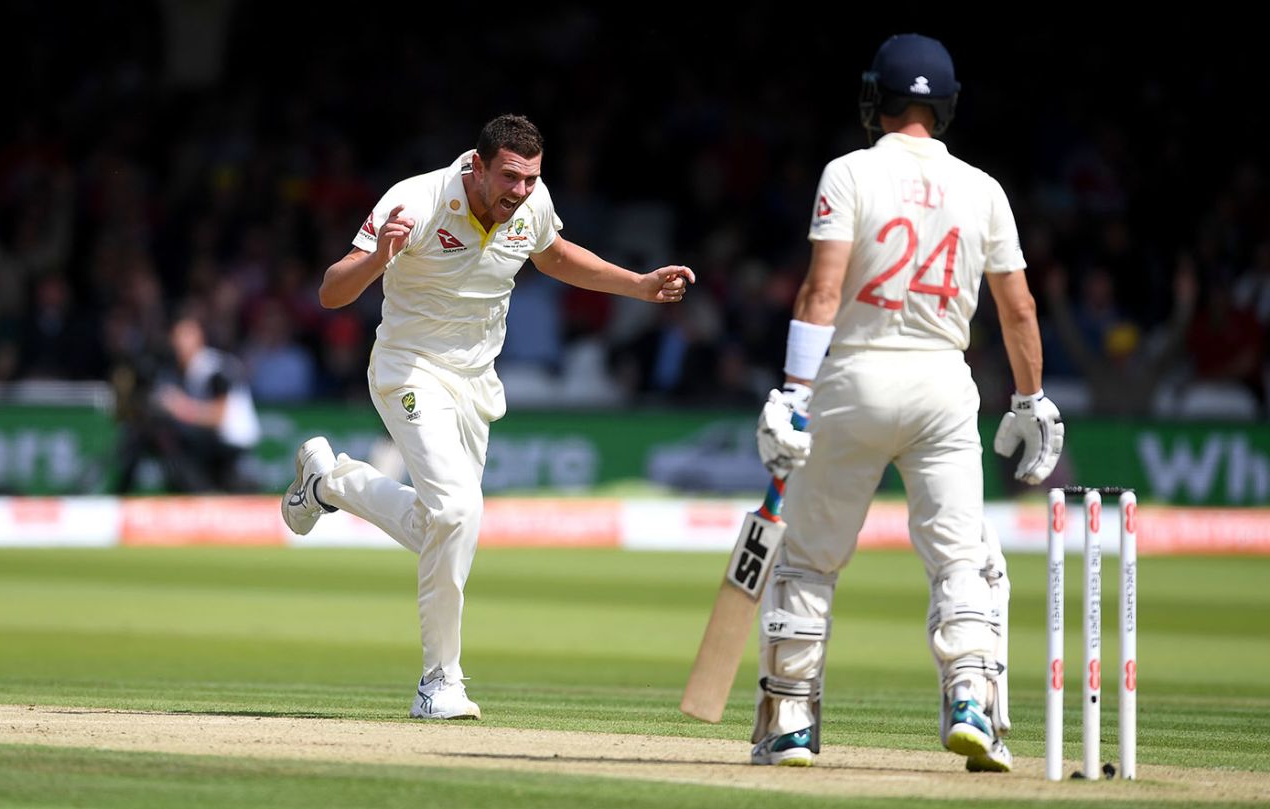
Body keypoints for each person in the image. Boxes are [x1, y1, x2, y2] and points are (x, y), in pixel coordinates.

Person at [279, 114, 694, 720]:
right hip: (409, 369)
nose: (520, 192)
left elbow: (552, 256)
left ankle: (328, 482)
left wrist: (638, 286)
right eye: (509, 178)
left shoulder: (532, 201)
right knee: (457, 512)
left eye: (531, 180)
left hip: (477, 384)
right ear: (477, 166)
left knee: (443, 526)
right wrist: (378, 260)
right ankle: (439, 682)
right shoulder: (416, 199)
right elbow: (330, 292)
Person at [752, 34, 1063, 770]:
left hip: (856, 376)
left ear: (874, 99)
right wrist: (1030, 399)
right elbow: (1018, 310)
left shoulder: (849, 172)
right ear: (945, 106)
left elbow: (821, 292)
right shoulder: (983, 187)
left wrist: (793, 394)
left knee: (809, 558)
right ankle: (971, 704)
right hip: (942, 386)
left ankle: (791, 721)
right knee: (961, 558)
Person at [115, 310, 261, 492]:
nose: (181, 342)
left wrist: (179, 407)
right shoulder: (180, 370)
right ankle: (123, 493)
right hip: (209, 442)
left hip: (230, 444)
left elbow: (219, 417)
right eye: (177, 336)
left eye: (187, 335)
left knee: (165, 434)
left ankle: (201, 496)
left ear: (200, 337)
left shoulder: (214, 368)